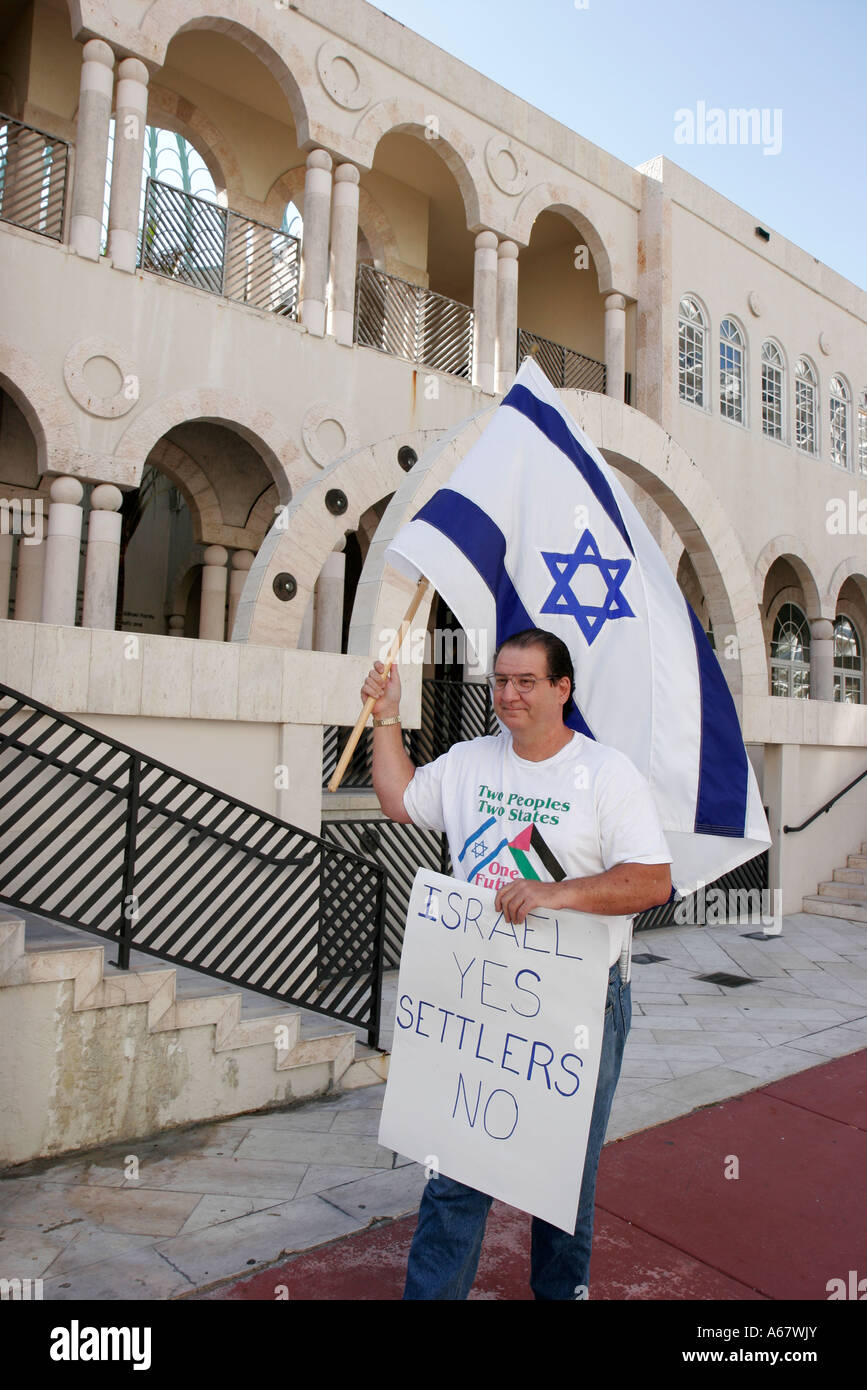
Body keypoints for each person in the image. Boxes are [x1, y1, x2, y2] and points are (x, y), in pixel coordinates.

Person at [361, 626, 672, 1300]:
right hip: (480, 1000)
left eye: (526, 681)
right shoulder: (470, 761)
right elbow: (399, 798)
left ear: (562, 689)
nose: (508, 694)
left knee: (561, 1178)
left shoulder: (606, 774)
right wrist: (385, 716)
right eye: (500, 680)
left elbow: (651, 882)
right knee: (454, 1172)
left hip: (579, 1004)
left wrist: (555, 893)